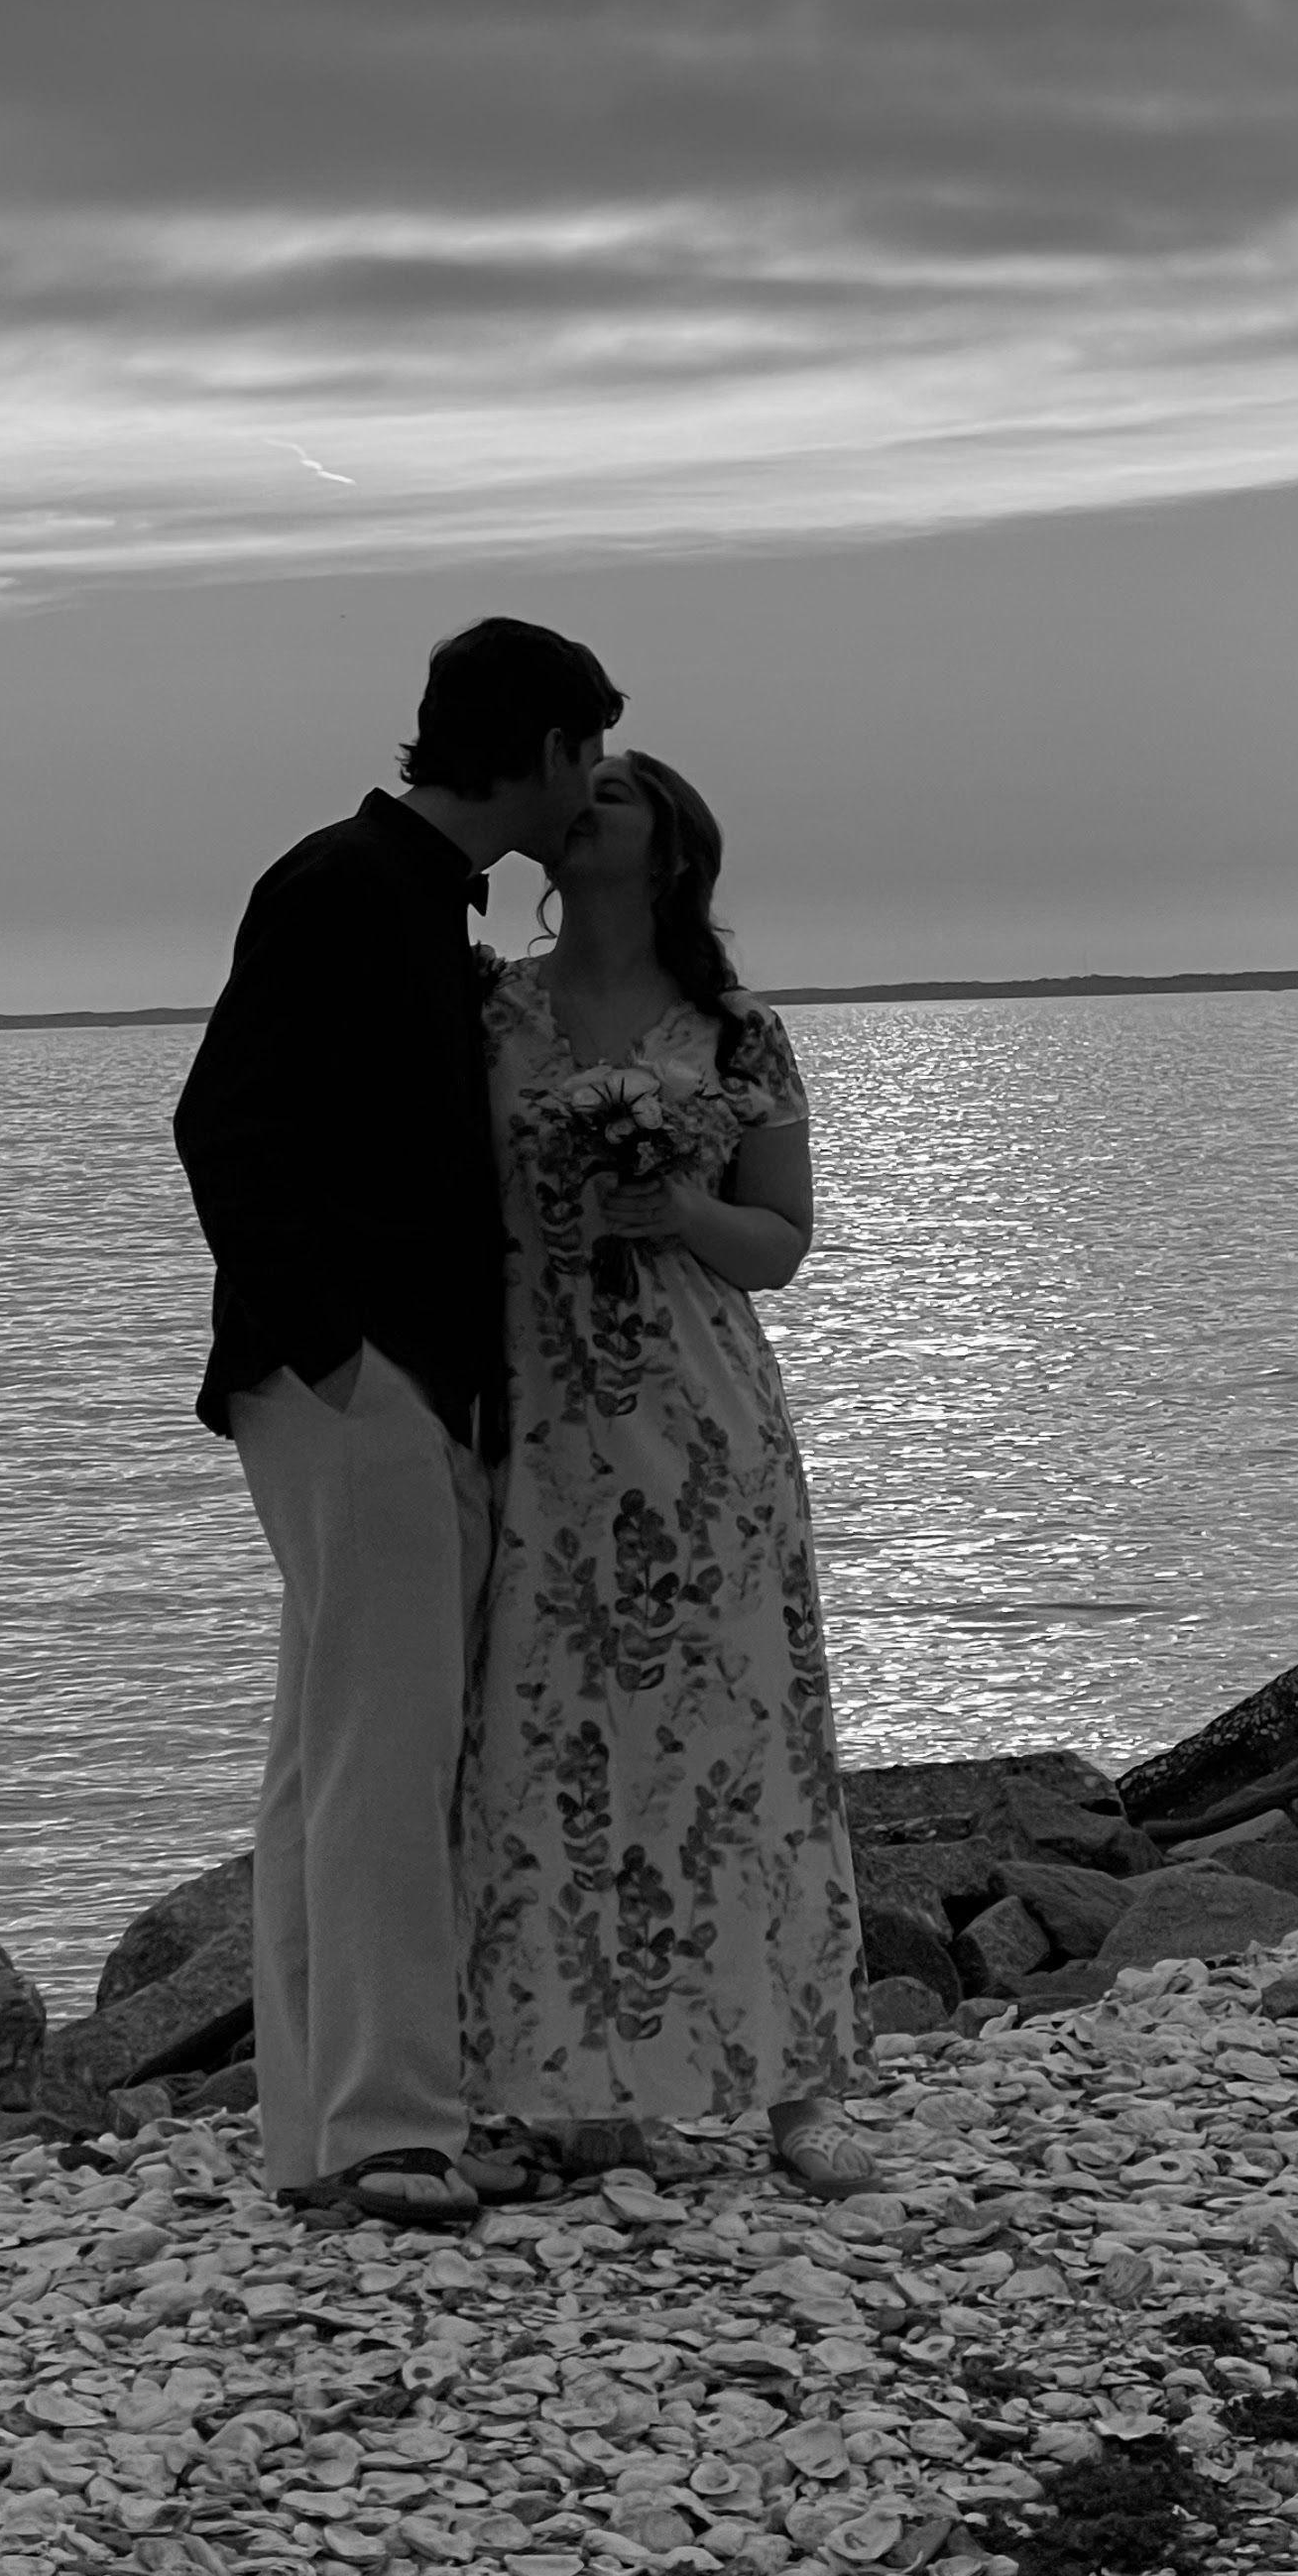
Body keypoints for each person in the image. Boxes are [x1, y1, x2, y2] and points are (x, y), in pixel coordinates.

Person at [172, 615, 625, 2231]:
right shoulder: (345, 885)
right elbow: (224, 1125)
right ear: (544, 748)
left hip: (385, 1383)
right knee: (385, 1755)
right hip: (353, 1385)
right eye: (590, 749)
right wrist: (340, 1355)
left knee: (328, 1759)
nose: (598, 782)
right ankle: (392, 2128)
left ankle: (325, 2128)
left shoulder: (415, 900)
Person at [456, 748, 879, 2194]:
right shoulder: (490, 1013)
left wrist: (679, 1206)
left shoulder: (738, 1032)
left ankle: (799, 2090)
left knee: (746, 1734)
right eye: (577, 785)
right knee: (553, 1743)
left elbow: (783, 1243)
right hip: (541, 1417)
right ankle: (573, 2085)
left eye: (619, 793)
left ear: (675, 849)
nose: (583, 801)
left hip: (704, 1426)